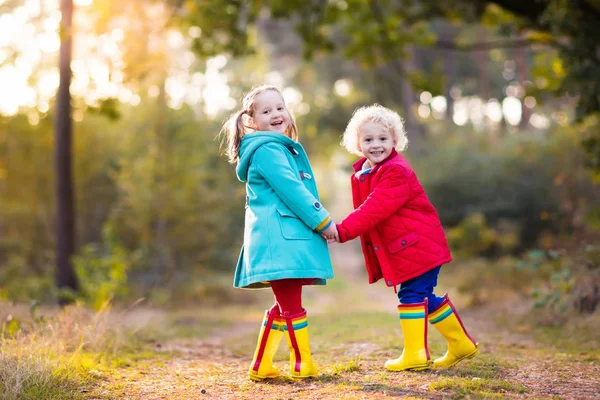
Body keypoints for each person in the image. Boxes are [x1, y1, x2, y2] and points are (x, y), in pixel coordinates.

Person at [329, 104, 478, 371]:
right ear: (357, 144)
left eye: (383, 139)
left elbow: (374, 209)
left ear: (395, 141)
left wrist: (342, 231)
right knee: (420, 296)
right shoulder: (368, 171)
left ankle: (416, 353)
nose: (376, 145)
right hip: (407, 247)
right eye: (369, 139)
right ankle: (460, 344)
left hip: (418, 247)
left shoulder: (396, 171)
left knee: (411, 296)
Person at [221, 84, 338, 381]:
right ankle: (302, 364)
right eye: (266, 110)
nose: (276, 114)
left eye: (280, 107)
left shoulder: (273, 147)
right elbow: (293, 190)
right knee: (291, 305)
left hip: (283, 238)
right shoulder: (268, 150)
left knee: (283, 303)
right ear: (252, 120)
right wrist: (322, 221)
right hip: (280, 239)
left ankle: (261, 365)